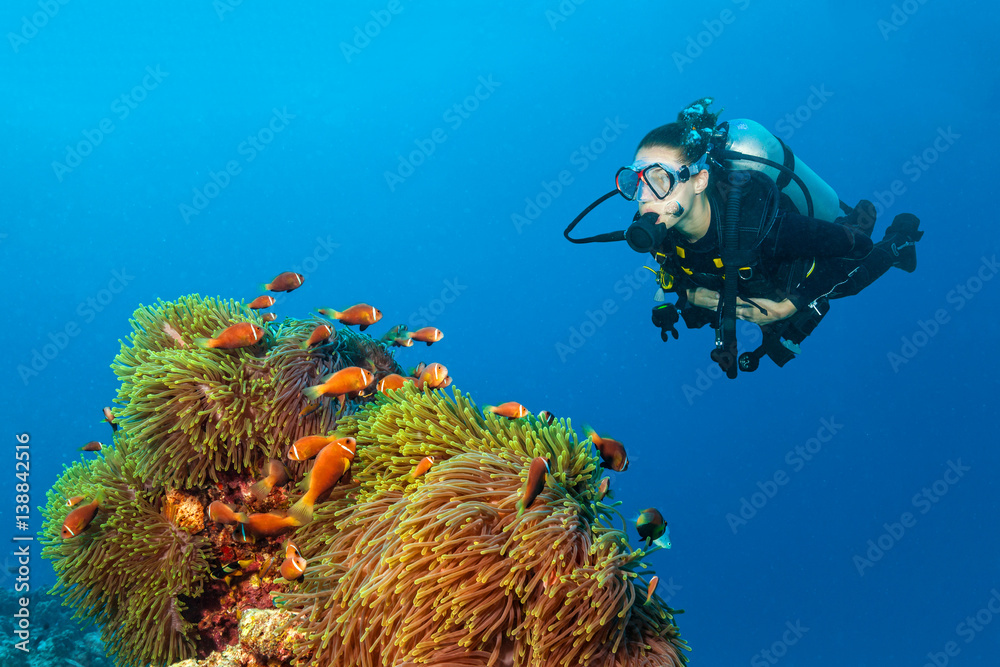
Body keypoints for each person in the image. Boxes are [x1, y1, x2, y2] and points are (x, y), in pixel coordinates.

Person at [564, 98, 924, 376]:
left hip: (791, 276)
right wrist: (682, 296)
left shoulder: (760, 225)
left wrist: (793, 303)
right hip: (740, 284)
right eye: (635, 182)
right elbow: (668, 272)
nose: (644, 198)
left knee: (854, 282)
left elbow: (856, 247)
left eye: (659, 179)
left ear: (700, 180)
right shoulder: (659, 225)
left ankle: (900, 240)